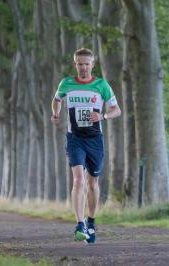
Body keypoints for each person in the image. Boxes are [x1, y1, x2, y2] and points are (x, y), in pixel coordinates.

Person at [51, 48, 121, 243]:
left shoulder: (101, 85)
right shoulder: (67, 83)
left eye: (86, 64)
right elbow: (56, 100)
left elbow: (117, 110)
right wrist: (56, 114)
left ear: (92, 65)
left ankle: (91, 221)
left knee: (92, 184)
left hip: (95, 140)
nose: (83, 68)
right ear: (75, 64)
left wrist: (103, 115)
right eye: (79, 64)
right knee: (79, 180)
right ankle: (79, 225)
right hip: (75, 139)